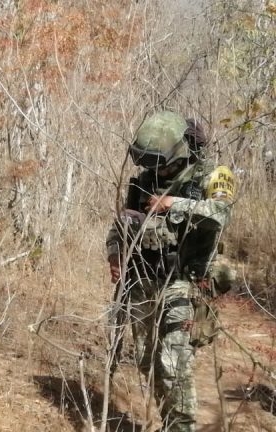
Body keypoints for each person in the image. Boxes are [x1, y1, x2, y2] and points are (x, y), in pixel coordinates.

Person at [105, 111, 235, 431]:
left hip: (184, 281)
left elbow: (219, 214)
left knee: (173, 362)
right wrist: (114, 254)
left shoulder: (215, 174)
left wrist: (172, 204)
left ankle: (182, 427)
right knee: (146, 359)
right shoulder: (145, 180)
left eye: (159, 162)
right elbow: (121, 225)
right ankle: (169, 420)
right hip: (143, 279)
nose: (154, 169)